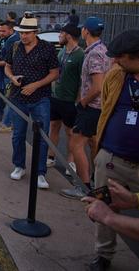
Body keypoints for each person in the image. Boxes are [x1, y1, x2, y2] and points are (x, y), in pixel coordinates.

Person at [86, 29, 139, 271]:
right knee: (104, 206)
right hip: (112, 158)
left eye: (121, 57)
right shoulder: (117, 75)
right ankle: (103, 255)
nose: (115, 60)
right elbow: (107, 104)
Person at [4, 17, 59, 189]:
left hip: (40, 98)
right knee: (18, 134)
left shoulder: (47, 49)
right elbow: (7, 66)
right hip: (18, 97)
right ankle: (19, 165)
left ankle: (40, 172)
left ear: (35, 32)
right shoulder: (15, 46)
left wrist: (36, 85)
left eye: (27, 33)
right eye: (21, 33)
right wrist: (12, 77)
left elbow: (54, 73)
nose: (23, 36)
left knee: (42, 137)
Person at [60, 17, 111, 200]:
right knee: (92, 144)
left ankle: (84, 186)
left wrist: (83, 101)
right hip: (97, 108)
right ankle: (96, 183)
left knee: (76, 143)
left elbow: (98, 85)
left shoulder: (95, 53)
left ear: (85, 32)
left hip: (91, 107)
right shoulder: (103, 50)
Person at [47, 23, 83, 172]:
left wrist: (79, 100)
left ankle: (71, 162)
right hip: (56, 97)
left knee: (70, 133)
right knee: (54, 127)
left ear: (68, 35)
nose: (59, 36)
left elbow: (83, 80)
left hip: (70, 100)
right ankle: (51, 157)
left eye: (61, 33)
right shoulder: (62, 51)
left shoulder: (80, 55)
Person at [0, 21, 20, 132]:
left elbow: (10, 60)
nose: (1, 33)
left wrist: (0, 63)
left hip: (11, 74)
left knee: (11, 100)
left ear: (11, 30)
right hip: (10, 73)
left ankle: (7, 124)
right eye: (0, 31)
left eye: (4, 31)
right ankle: (12, 123)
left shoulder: (12, 41)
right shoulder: (10, 39)